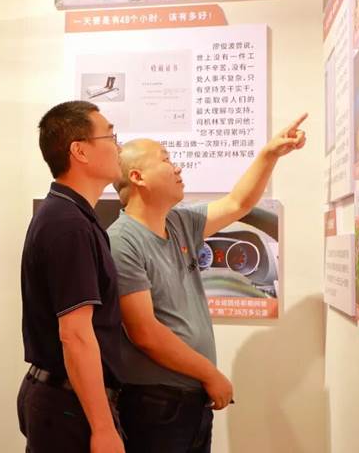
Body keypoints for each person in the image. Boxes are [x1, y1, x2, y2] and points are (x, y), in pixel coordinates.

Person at [107, 114, 308, 453]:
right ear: (138, 177)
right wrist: (210, 374)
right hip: (155, 404)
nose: (177, 168)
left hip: (190, 399)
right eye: (166, 160)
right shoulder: (122, 241)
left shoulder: (179, 222)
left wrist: (269, 154)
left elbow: (238, 203)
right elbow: (145, 333)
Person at [18, 100, 125, 453]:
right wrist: (103, 428)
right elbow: (75, 335)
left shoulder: (70, 216)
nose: (118, 146)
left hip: (65, 399)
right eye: (110, 136)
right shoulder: (69, 225)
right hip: (68, 406)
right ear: (80, 151)